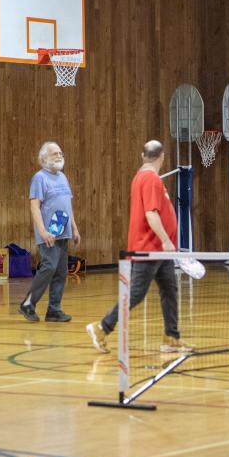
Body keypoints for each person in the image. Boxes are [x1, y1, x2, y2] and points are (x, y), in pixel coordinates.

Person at [85, 140, 193, 354]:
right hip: (148, 248)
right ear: (162, 157)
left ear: (143, 156)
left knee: (170, 289)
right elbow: (151, 213)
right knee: (136, 293)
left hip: (158, 251)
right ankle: (101, 327)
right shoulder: (150, 179)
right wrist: (166, 240)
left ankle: (171, 337)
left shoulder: (142, 177)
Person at [18, 141, 80, 322]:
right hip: (48, 234)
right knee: (49, 266)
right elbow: (34, 206)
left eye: (61, 153)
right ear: (44, 158)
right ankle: (28, 303)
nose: (60, 156)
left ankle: (54, 310)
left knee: (60, 271)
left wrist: (74, 229)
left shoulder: (63, 177)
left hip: (64, 232)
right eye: (55, 153)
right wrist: (43, 231)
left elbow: (67, 206)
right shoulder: (39, 177)